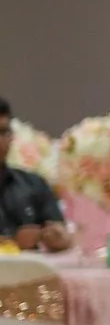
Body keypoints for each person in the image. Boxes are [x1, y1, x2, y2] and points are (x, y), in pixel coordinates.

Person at [0, 99, 71, 253]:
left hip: (32, 267)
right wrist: (11, 241)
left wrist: (57, 237)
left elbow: (62, 233)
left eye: (4, 132)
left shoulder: (34, 184)